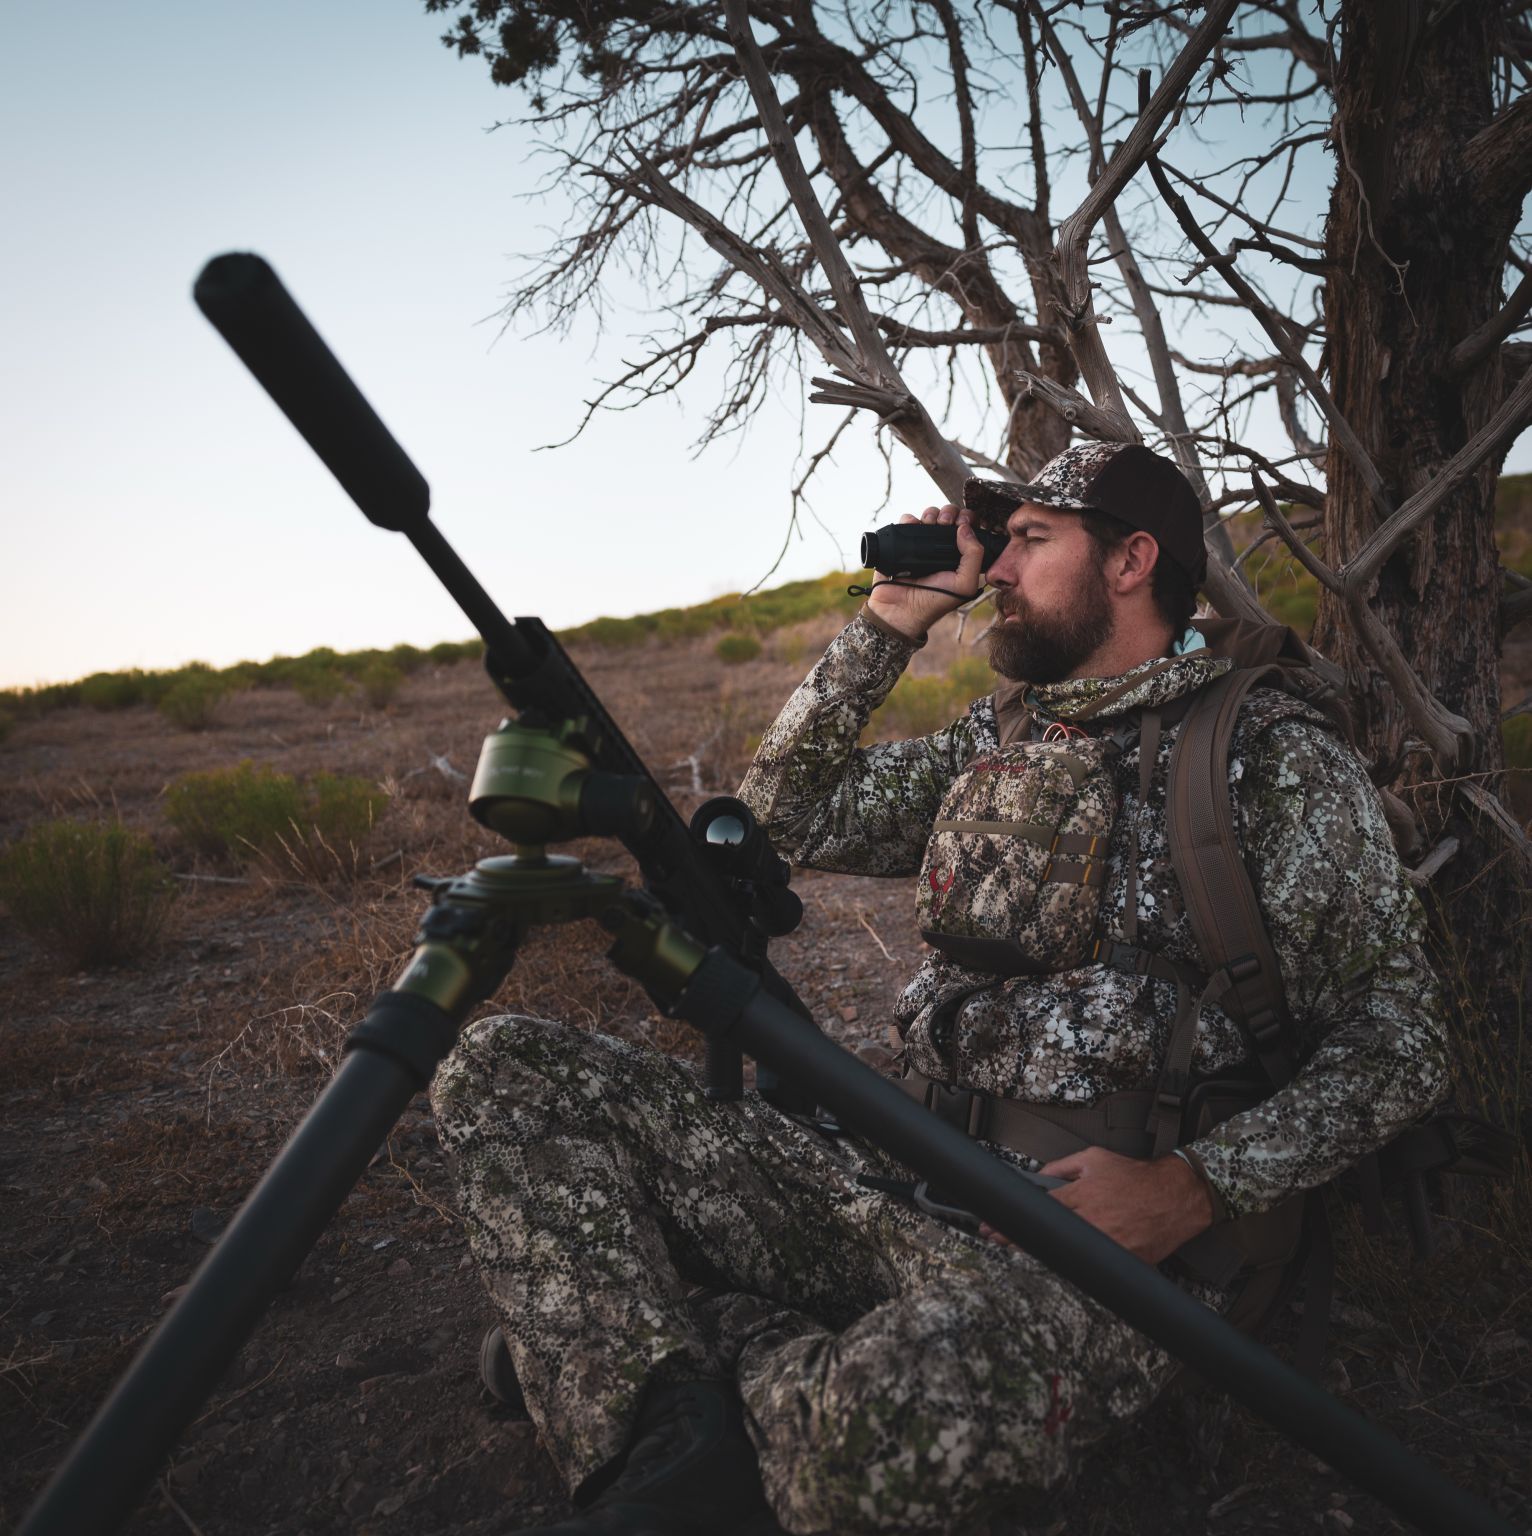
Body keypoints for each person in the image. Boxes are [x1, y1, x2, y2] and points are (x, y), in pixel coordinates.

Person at [429, 442, 1449, 1536]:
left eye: (1028, 539)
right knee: (504, 1068)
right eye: (996, 543)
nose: (994, 570)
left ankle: (655, 1363)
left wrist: (1188, 1191)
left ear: (1129, 560)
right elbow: (785, 813)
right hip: (892, 1170)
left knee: (891, 1436)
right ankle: (688, 1413)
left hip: (1089, 1250)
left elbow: (1400, 1040)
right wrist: (887, 625)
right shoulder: (1001, 733)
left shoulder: (1268, 753)